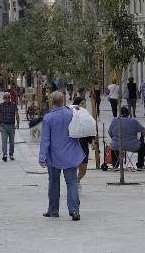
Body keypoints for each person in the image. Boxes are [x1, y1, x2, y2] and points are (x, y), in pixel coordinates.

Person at [39, 91, 84, 221]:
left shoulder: (48, 118)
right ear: (63, 100)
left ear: (52, 101)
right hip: (70, 155)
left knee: (53, 183)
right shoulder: (71, 114)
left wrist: (42, 157)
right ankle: (74, 210)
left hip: (54, 156)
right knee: (72, 183)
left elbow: (45, 140)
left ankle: (53, 210)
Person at [108, 106, 145, 170]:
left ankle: (115, 165)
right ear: (128, 113)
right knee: (142, 146)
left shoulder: (114, 120)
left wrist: (114, 139)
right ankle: (140, 165)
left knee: (113, 146)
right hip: (132, 145)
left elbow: (109, 132)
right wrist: (141, 138)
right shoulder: (133, 121)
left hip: (117, 145)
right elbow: (144, 131)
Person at [73, 97, 97, 192]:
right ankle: (73, 184)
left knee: (83, 170)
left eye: (85, 103)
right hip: (73, 146)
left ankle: (77, 181)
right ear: (77, 105)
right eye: (82, 103)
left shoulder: (87, 116)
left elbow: (90, 129)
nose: (85, 105)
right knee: (73, 168)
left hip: (83, 146)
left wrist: (93, 141)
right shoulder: (72, 115)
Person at [0, 92, 20, 162]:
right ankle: (5, 155)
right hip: (3, 125)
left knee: (12, 141)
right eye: (6, 97)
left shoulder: (13, 105)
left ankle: (11, 154)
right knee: (4, 141)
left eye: (8, 97)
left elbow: (17, 114)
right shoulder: (1, 105)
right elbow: (0, 115)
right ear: (3, 98)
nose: (7, 99)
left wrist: (18, 123)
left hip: (11, 125)